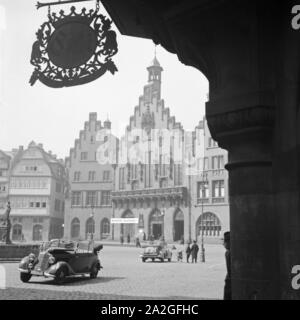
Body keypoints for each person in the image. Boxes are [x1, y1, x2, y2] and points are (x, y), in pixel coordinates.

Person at [223, 231, 231, 300]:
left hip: (230, 282)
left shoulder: (228, 253)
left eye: (225, 241)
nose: (223, 244)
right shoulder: (228, 253)